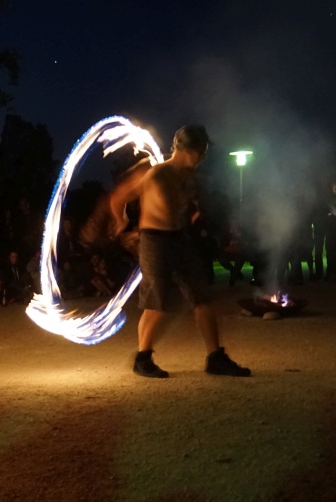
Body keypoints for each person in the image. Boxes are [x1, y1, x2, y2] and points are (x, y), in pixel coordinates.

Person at [104, 126, 250, 378]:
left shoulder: (189, 178)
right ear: (187, 150)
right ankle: (142, 358)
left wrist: (191, 214)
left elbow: (186, 207)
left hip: (180, 239)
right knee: (157, 301)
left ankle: (215, 357)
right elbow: (119, 198)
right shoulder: (157, 175)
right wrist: (122, 223)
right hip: (154, 241)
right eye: (201, 150)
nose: (203, 156)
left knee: (200, 297)